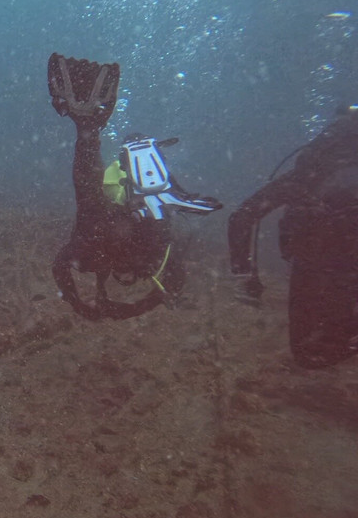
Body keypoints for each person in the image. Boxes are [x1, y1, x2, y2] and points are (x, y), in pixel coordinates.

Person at [46, 52, 222, 320]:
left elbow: (60, 266)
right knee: (90, 201)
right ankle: (88, 128)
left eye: (121, 278)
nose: (125, 277)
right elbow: (60, 266)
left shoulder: (112, 257)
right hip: (125, 221)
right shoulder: (144, 258)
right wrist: (121, 309)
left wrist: (83, 306)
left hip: (124, 220)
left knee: (92, 205)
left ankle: (89, 127)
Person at [228, 104, 358, 368]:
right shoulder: (313, 173)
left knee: (308, 353)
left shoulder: (306, 174)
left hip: (316, 260)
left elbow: (241, 217)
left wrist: (246, 276)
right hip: (341, 262)